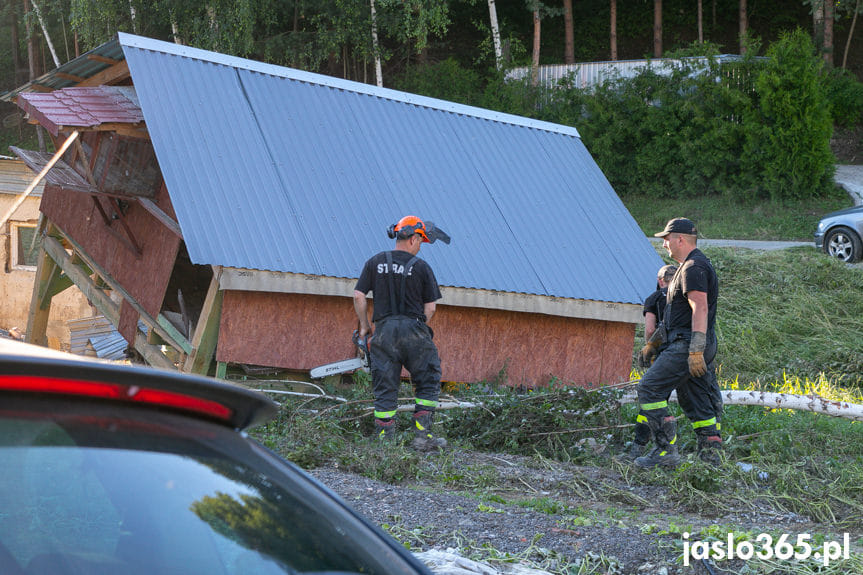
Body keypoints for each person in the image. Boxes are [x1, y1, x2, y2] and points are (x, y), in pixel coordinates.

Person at [353, 215, 450, 451]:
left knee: (385, 387)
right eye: (421, 241)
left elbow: (358, 295)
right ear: (414, 238)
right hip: (414, 330)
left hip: (384, 331)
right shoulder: (421, 267)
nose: (420, 247)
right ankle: (421, 437)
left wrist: (365, 326)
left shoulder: (374, 262)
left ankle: (385, 443)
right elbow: (431, 307)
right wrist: (417, 327)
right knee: (427, 381)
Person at [634, 217, 722, 468]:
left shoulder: (694, 267)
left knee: (649, 389)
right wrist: (654, 343)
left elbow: (699, 309)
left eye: (666, 239)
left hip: (687, 344)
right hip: (685, 341)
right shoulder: (688, 268)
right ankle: (710, 457)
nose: (664, 244)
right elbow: (676, 317)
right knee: (694, 399)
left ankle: (664, 452)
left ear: (680, 239)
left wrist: (695, 350)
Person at [625, 264, 677, 460]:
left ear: (660, 280)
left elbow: (649, 331)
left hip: (664, 356)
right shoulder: (684, 299)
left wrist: (651, 348)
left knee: (650, 400)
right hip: (686, 355)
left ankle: (639, 449)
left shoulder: (654, 298)